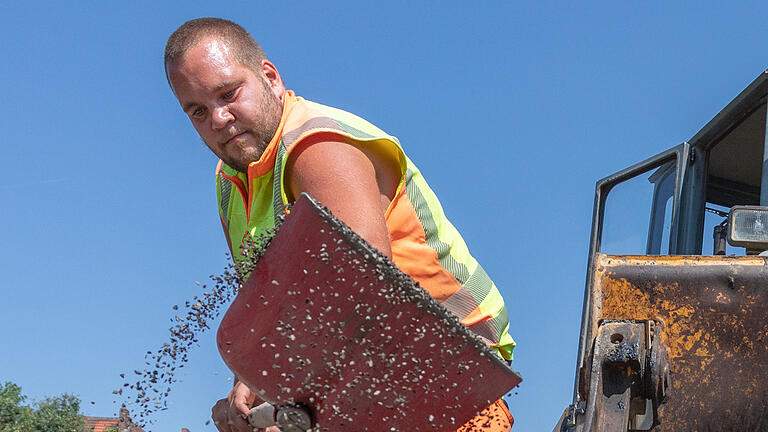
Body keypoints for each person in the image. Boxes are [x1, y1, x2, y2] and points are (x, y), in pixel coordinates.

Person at [164, 18, 516, 432]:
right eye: (198, 111)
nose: (219, 118)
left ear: (270, 78)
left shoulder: (318, 146)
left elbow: (362, 293)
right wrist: (251, 384)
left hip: (451, 365)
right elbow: (273, 303)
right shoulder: (230, 183)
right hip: (364, 368)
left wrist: (282, 392)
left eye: (228, 94)